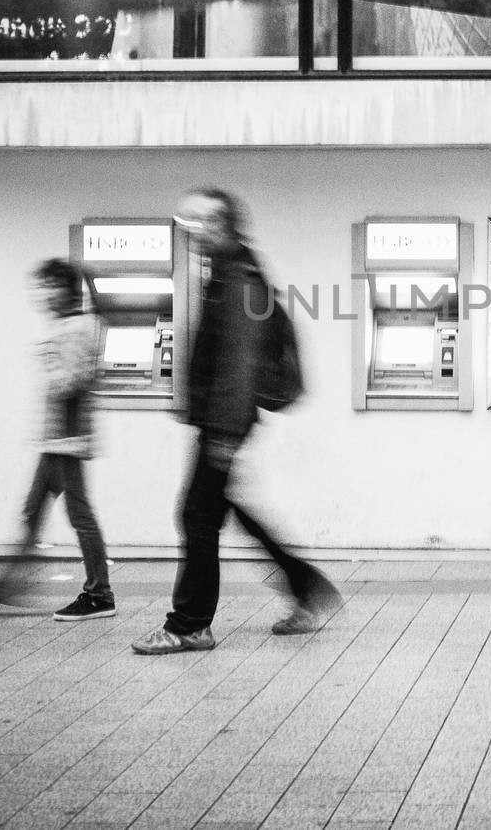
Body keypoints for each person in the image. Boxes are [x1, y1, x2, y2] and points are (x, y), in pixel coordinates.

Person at [131, 188, 341, 655]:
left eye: (196, 224)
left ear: (220, 225)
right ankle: (307, 589)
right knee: (224, 511)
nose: (189, 233)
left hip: (225, 420)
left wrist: (224, 432)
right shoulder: (228, 274)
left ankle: (189, 623)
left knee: (197, 516)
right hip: (223, 418)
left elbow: (239, 364)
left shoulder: (239, 282)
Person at [0, 259, 114, 620]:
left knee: (79, 515)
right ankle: (4, 588)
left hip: (68, 440)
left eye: (50, 285)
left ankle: (100, 594)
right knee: (34, 510)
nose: (43, 293)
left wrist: (46, 360)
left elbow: (72, 382)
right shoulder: (70, 325)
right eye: (41, 286)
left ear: (67, 290)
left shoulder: (78, 327)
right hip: (55, 439)